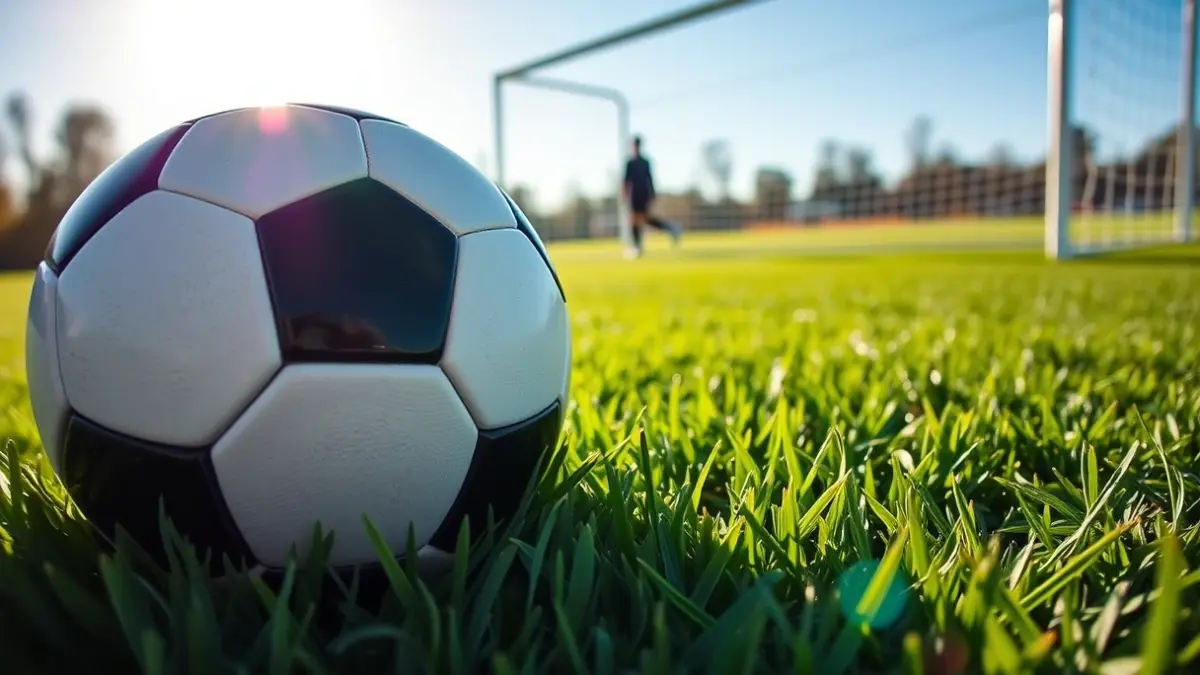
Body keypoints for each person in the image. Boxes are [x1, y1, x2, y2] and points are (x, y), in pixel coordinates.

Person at [622, 135, 681, 258]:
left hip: (642, 194)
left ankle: (637, 247)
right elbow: (626, 181)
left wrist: (652, 194)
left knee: (638, 220)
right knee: (639, 220)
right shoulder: (630, 163)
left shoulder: (644, 162)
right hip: (634, 196)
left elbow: (650, 179)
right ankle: (670, 228)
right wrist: (625, 195)